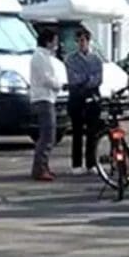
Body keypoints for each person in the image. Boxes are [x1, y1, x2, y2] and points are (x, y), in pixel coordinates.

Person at [65, 28, 103, 174]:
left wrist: (86, 80)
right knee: (77, 132)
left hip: (92, 98)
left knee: (92, 132)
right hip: (77, 98)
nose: (81, 43)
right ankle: (76, 164)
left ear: (88, 41)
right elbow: (73, 78)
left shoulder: (96, 59)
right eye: (78, 41)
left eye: (83, 40)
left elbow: (98, 78)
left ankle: (91, 163)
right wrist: (87, 79)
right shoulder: (70, 59)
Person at [29, 28, 66, 182]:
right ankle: (39, 168)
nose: (57, 44)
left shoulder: (45, 56)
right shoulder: (40, 57)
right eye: (55, 40)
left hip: (48, 98)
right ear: (48, 41)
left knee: (48, 134)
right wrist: (59, 84)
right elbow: (46, 79)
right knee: (47, 135)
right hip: (43, 98)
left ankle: (43, 166)